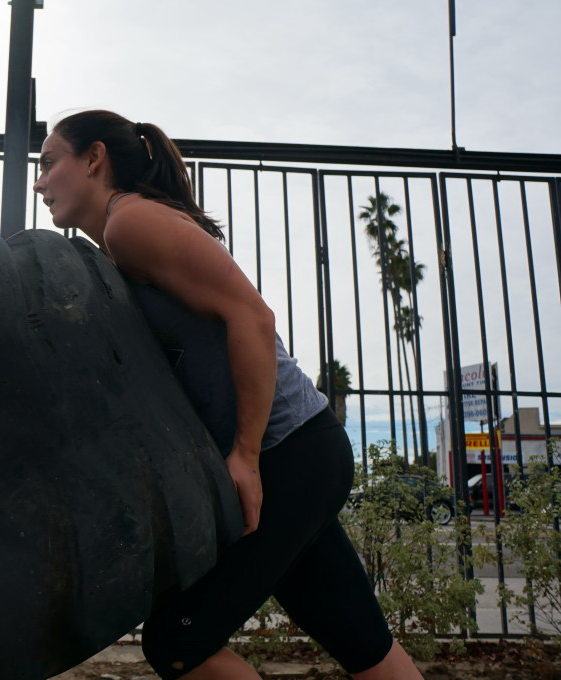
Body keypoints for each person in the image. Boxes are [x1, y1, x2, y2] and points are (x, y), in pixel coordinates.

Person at [32, 110, 423, 680]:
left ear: (94, 158)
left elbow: (253, 317)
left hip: (288, 454)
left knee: (175, 642)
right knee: (364, 644)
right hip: (302, 455)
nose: (39, 182)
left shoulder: (129, 223)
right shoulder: (119, 242)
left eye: (47, 163)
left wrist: (244, 453)